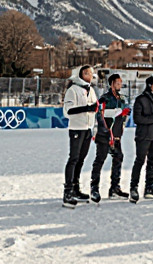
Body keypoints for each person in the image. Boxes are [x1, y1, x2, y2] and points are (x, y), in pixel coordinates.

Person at [62, 65, 100, 207]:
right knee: (73, 158)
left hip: (87, 129)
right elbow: (68, 111)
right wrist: (87, 108)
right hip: (77, 128)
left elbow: (95, 109)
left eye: (91, 73)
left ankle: (75, 188)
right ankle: (67, 191)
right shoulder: (73, 90)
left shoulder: (91, 90)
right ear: (79, 75)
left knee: (81, 160)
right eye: (86, 73)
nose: (89, 75)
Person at [92, 73, 131, 200]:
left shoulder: (121, 98)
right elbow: (100, 115)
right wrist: (107, 131)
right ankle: (94, 188)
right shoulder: (105, 98)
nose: (120, 84)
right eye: (118, 82)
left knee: (118, 157)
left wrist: (124, 116)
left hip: (117, 135)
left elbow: (123, 115)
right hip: (105, 135)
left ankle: (115, 188)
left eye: (121, 82)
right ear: (112, 84)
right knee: (100, 160)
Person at [130, 75, 153, 203]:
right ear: (151, 85)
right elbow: (138, 119)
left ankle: (149, 188)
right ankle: (133, 188)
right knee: (140, 161)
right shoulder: (141, 99)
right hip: (143, 136)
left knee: (152, 161)